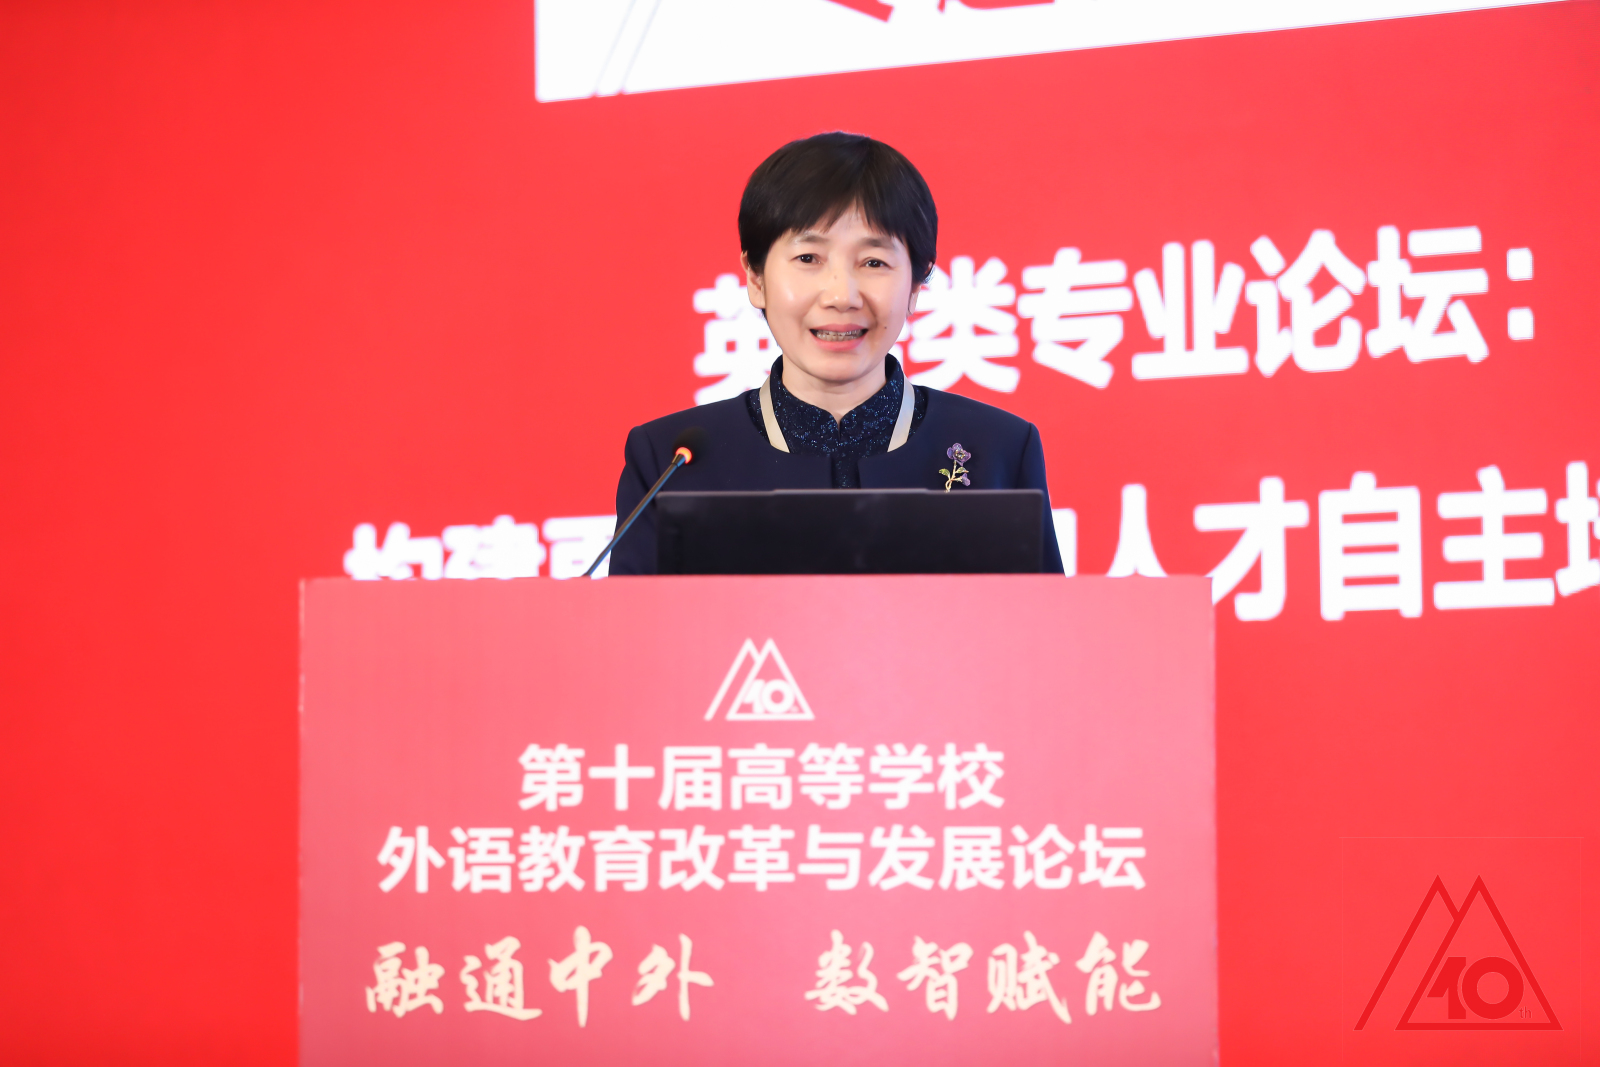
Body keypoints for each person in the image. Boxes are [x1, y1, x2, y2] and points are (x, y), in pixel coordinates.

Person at [608, 131, 1064, 575]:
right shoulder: (670, 462)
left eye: (873, 262)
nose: (841, 296)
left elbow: (1043, 625)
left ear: (915, 284)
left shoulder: (1000, 448)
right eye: (808, 259)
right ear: (755, 277)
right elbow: (633, 627)